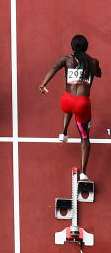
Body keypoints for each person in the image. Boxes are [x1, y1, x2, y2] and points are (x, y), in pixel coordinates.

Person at [39, 35, 100, 180]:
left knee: (69, 108)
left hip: (67, 100)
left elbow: (53, 69)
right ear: (86, 47)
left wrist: (43, 84)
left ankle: (63, 132)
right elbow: (99, 73)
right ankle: (84, 172)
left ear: (72, 47)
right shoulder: (93, 61)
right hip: (82, 103)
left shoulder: (66, 59)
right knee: (85, 137)